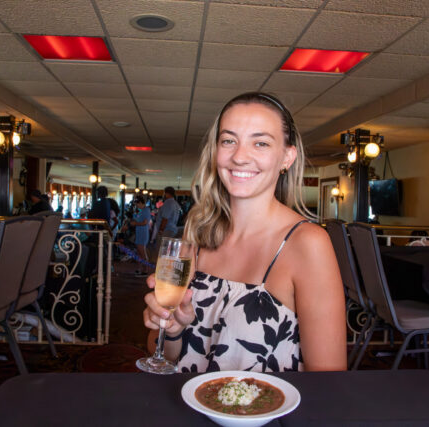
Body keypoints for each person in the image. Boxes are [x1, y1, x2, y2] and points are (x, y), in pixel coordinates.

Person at [142, 92, 346, 373]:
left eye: (260, 143)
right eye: (229, 141)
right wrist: (173, 329)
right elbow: (166, 356)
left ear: (287, 157)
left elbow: (329, 381)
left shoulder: (308, 243)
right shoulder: (197, 233)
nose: (239, 156)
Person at [129, 195, 152, 275]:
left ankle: (146, 269)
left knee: (142, 252)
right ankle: (140, 268)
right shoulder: (140, 210)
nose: (137, 206)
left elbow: (145, 222)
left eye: (137, 204)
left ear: (141, 203)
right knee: (139, 252)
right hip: (139, 232)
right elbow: (136, 219)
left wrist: (136, 223)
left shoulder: (146, 210)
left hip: (143, 233)